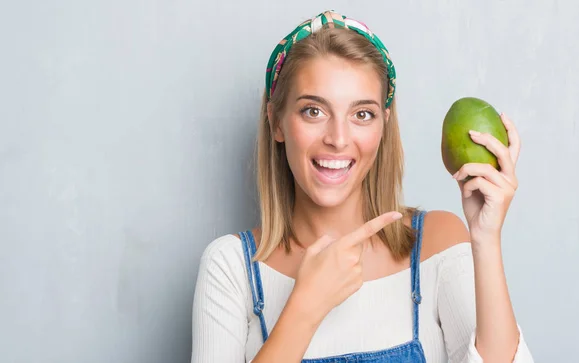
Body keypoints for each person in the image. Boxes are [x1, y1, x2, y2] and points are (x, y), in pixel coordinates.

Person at [191, 10, 534, 363]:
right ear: (276, 121)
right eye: (313, 111)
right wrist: (305, 307)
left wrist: (486, 238)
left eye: (362, 114)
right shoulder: (231, 267)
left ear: (383, 125)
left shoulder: (437, 243)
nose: (338, 139)